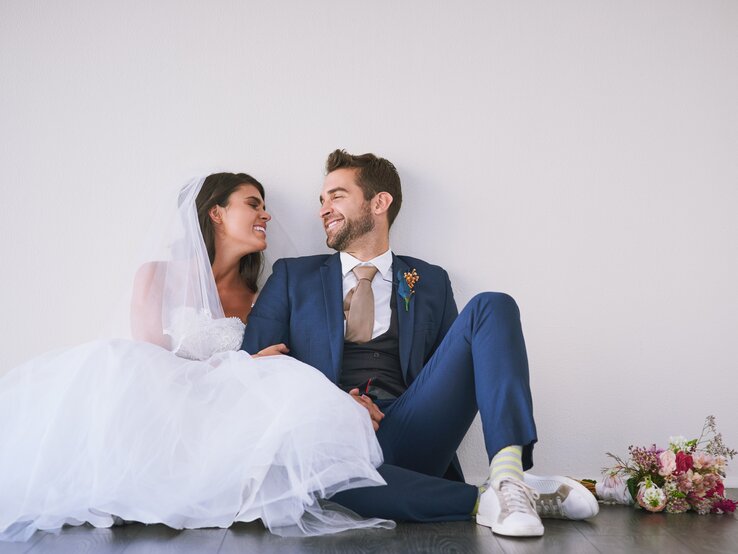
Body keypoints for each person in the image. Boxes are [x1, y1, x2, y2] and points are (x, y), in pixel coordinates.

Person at [0, 173, 394, 542]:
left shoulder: (261, 299)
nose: (266, 214)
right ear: (216, 213)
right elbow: (150, 363)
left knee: (285, 375)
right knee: (117, 359)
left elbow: (273, 368)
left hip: (219, 425)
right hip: (155, 413)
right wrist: (237, 365)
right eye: (253, 204)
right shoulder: (156, 275)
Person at [242, 150, 599, 538]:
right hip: (331, 447)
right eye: (322, 200)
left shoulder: (429, 279)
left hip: (412, 430)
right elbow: (252, 371)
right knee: (323, 481)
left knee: (493, 305)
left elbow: (456, 373)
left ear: (379, 203)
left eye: (337, 196)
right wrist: (333, 404)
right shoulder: (294, 277)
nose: (323, 210)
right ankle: (492, 498)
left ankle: (510, 474)